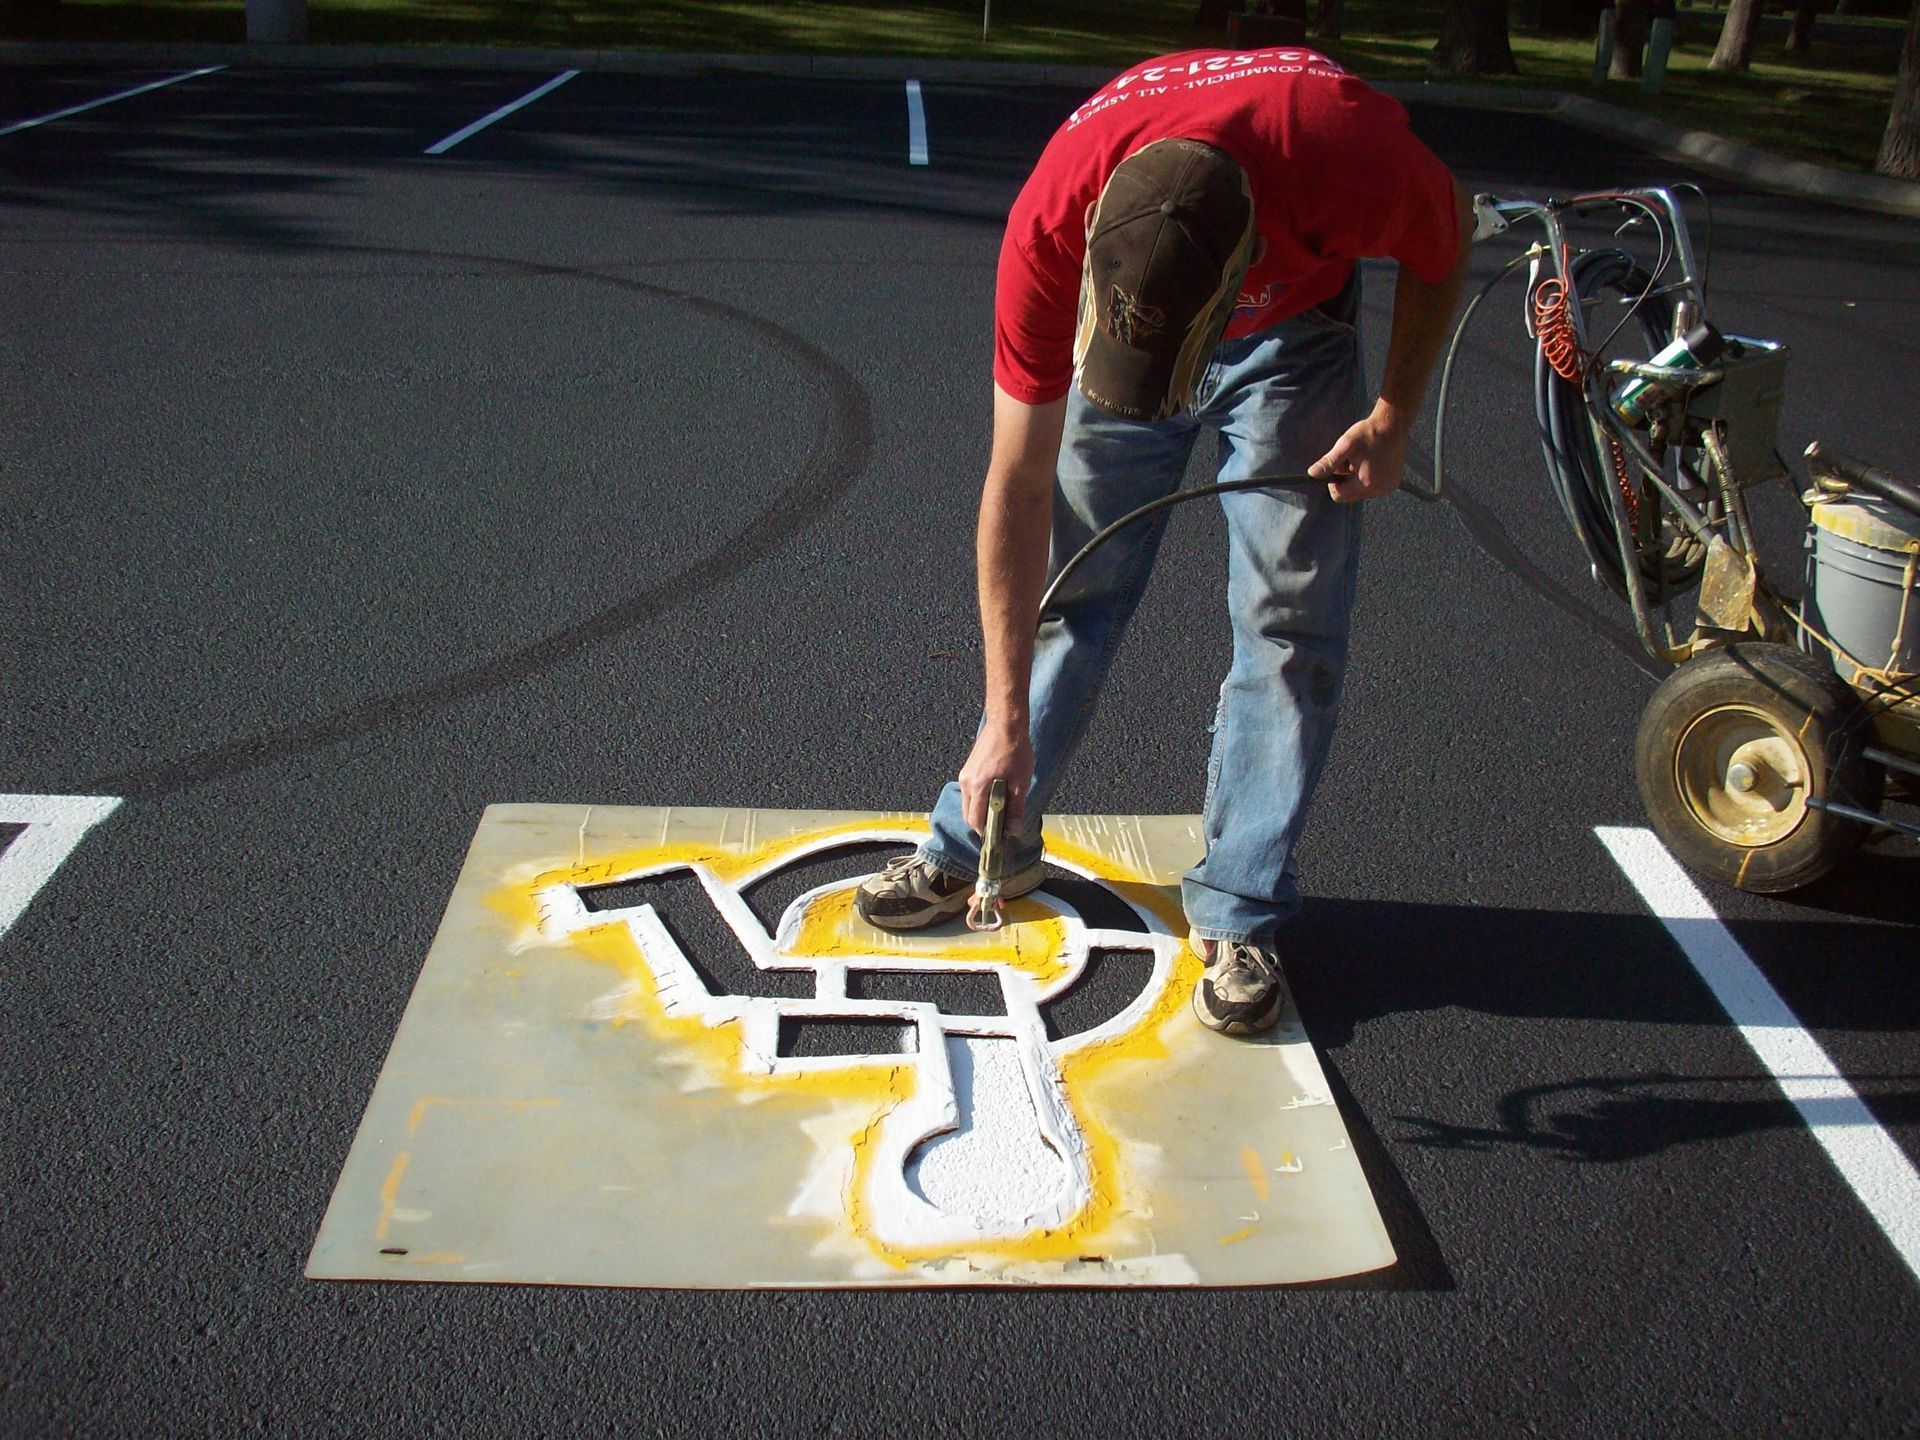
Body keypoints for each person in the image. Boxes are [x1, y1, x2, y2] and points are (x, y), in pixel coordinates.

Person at [855, 47, 1473, 1036]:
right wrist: (1000, 717)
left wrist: (1395, 417)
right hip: (1128, 337)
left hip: (1291, 340)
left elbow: (1450, 242)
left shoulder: (1344, 153)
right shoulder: (1052, 223)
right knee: (1073, 588)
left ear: (1252, 249)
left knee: (1288, 623)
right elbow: (1015, 484)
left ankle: (1239, 909)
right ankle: (983, 842)